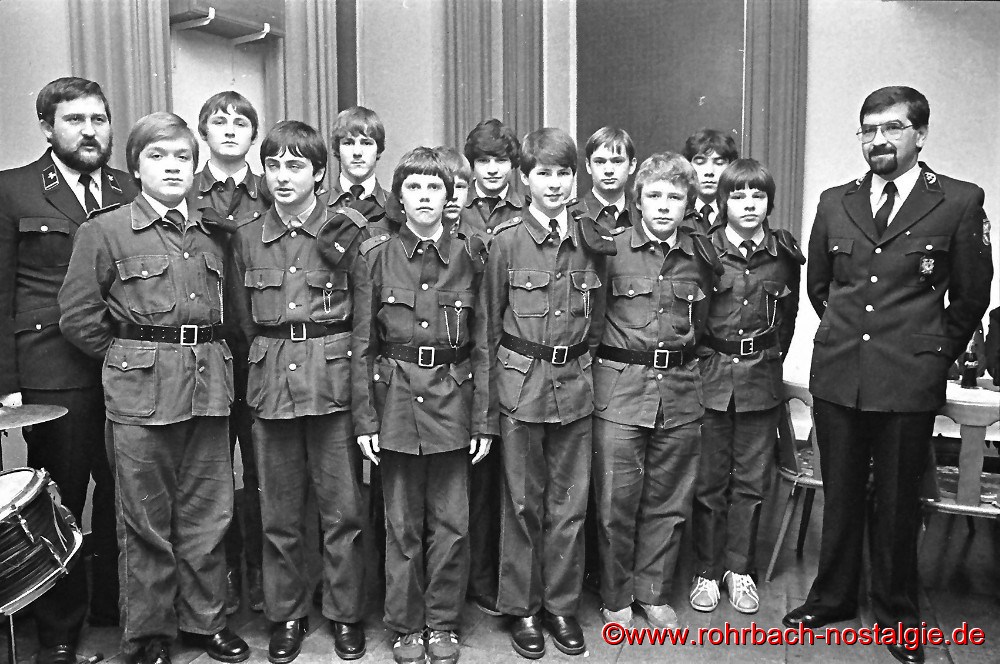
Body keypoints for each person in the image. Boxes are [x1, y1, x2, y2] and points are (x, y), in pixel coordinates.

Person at [783, 86, 993, 664]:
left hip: (908, 379)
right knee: (841, 495)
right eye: (869, 129)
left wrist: (933, 353)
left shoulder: (958, 200)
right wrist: (850, 337)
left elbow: (971, 296)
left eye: (892, 128)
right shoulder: (835, 201)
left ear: (919, 135)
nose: (878, 140)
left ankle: (898, 615)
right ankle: (832, 598)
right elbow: (820, 288)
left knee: (899, 502)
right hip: (839, 374)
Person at [58, 112, 250, 664]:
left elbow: (231, 317)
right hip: (140, 397)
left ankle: (205, 622)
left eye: (182, 158)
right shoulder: (106, 231)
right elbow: (78, 317)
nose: (172, 167)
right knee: (144, 522)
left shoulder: (215, 234)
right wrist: (132, 358)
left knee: (209, 515)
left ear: (195, 167)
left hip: (208, 391)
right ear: (136, 167)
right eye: (157, 156)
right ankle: (149, 636)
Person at [0, 76, 138, 664]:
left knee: (123, 492)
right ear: (47, 128)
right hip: (53, 370)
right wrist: (6, 381)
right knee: (60, 497)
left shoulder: (130, 187)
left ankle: (113, 606)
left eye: (98, 119)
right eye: (75, 120)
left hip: (127, 366)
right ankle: (58, 628)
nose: (89, 131)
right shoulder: (13, 190)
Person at [229, 121, 369, 662]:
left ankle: (344, 612)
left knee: (342, 512)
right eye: (273, 165)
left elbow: (363, 318)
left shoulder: (346, 230)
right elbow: (243, 323)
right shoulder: (246, 237)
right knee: (278, 513)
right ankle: (287, 613)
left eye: (295, 166)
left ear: (319, 172)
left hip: (333, 385)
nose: (283, 176)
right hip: (271, 388)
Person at [352, 146, 493, 664]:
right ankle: (406, 623)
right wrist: (365, 420)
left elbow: (483, 344)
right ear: (399, 197)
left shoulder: (472, 256)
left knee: (452, 525)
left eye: (435, 187)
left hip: (454, 401)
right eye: (414, 187)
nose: (425, 196)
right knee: (402, 525)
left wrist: (484, 421)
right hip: (395, 405)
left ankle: (443, 621)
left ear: (450, 195)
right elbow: (363, 345)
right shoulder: (376, 256)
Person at [485, 127, 615, 659]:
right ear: (525, 178)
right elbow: (488, 327)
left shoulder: (592, 240)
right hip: (520, 387)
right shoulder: (506, 241)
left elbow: (598, 323)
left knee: (570, 504)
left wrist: (579, 365)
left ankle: (561, 605)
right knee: (521, 504)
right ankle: (523, 608)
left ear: (575, 177)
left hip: (575, 388)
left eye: (564, 173)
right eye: (543, 173)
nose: (555, 183)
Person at [589, 152, 720, 630]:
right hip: (621, 392)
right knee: (615, 502)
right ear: (637, 200)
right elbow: (593, 321)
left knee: (669, 500)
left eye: (675, 197)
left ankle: (653, 591)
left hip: (680, 394)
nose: (664, 205)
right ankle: (616, 594)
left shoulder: (700, 256)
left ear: (689, 203)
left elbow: (703, 326)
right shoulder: (611, 250)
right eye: (655, 195)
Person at [690, 158, 803, 615]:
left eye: (758, 196)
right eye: (738, 196)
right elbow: (693, 319)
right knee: (709, 482)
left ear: (770, 203)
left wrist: (767, 360)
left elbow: (788, 321)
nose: (749, 204)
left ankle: (739, 570)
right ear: (723, 201)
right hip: (712, 380)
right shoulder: (705, 250)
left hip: (760, 381)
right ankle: (706, 570)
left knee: (752, 482)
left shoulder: (784, 254)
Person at [192, 90, 267, 615]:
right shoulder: (185, 191)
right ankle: (220, 577)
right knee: (210, 474)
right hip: (205, 354)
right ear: (203, 133)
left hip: (261, 351)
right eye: (219, 122)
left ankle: (262, 574)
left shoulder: (273, 191)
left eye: (241, 123)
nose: (230, 130)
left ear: (253, 135)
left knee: (264, 473)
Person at [327, 106, 397, 232]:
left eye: (366, 143)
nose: (357, 152)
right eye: (348, 143)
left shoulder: (395, 208)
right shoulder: (317, 206)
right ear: (337, 148)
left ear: (378, 149)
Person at [460, 119, 525, 236]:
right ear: (472, 164)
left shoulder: (528, 209)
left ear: (513, 163)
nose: (492, 170)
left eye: (501, 160)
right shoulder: (457, 205)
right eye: (483, 161)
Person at [575, 126, 638, 230]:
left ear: (631, 166)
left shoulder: (643, 216)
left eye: (617, 161)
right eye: (599, 162)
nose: (608, 170)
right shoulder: (569, 216)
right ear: (588, 166)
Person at [681, 128, 738, 233]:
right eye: (700, 162)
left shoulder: (740, 215)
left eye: (719, 163)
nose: (709, 171)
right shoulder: (676, 215)